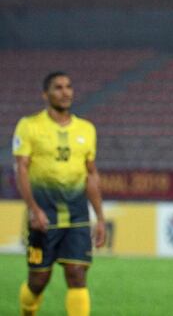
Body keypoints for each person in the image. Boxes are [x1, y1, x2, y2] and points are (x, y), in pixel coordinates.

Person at [13, 72, 106, 316]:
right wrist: (34, 210)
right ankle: (27, 311)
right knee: (38, 281)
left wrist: (100, 217)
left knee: (77, 274)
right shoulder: (30, 125)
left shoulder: (86, 129)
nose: (65, 92)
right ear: (46, 94)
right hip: (44, 214)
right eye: (58, 87)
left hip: (77, 215)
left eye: (68, 87)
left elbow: (91, 174)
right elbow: (21, 168)